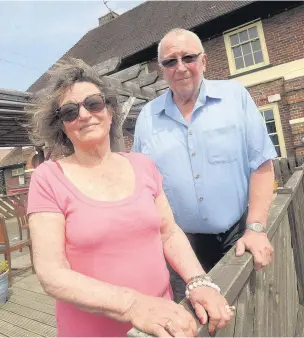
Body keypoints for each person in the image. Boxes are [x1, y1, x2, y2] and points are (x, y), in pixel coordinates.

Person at [26, 58, 234, 337]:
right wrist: (133, 305)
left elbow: (169, 233)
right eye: (70, 112)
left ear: (110, 111)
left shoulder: (142, 165)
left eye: (93, 103)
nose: (84, 115)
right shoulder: (48, 178)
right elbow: (52, 274)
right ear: (62, 126)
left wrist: (198, 282)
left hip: (164, 324)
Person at [132, 28, 276, 303]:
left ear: (204, 61)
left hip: (237, 236)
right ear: (162, 69)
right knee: (191, 318)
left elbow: (261, 163)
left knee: (245, 311)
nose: (181, 67)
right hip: (179, 246)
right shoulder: (147, 117)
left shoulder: (235, 97)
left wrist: (256, 227)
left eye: (188, 57)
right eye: (170, 61)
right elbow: (143, 185)